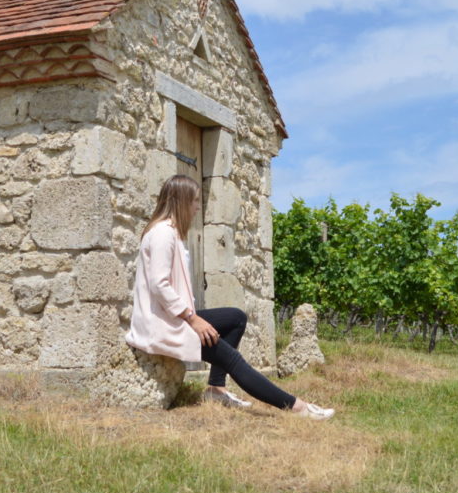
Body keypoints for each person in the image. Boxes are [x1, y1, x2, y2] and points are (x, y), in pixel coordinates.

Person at [126, 174, 334, 420]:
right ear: (180, 202)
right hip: (165, 325)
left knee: (235, 318)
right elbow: (159, 285)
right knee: (232, 359)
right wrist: (193, 319)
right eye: (194, 201)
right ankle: (298, 407)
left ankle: (216, 389)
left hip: (173, 318)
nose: (197, 207)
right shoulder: (163, 233)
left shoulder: (168, 232)